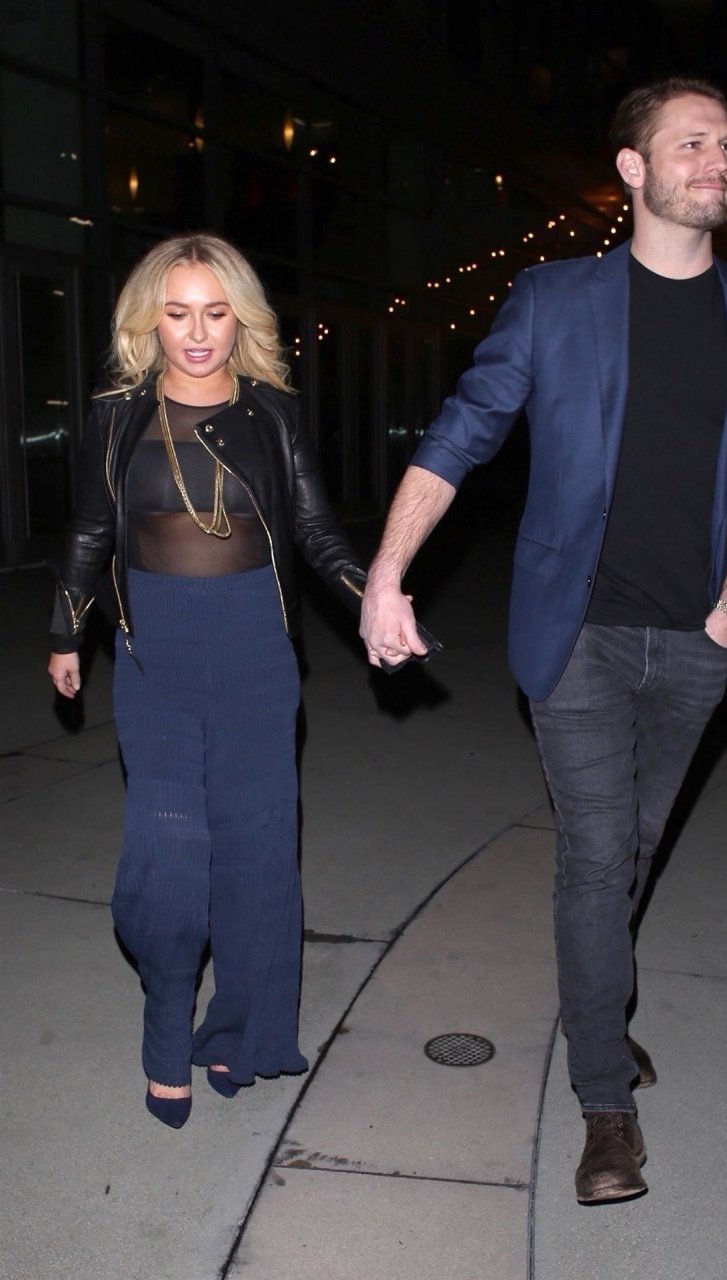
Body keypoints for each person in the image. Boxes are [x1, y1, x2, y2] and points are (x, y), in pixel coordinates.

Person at [360, 77, 727, 1203]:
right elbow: (461, 433)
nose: (717, 160)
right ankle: (606, 1107)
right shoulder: (555, 299)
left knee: (633, 850)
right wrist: (387, 572)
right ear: (632, 169)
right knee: (599, 853)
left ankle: (593, 1006)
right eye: (690, 143)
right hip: (580, 638)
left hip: (701, 638)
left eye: (726, 143)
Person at [48, 234, 366, 1128]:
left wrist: (370, 598)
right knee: (168, 858)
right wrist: (65, 632)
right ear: (149, 322)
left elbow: (316, 531)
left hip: (255, 654)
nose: (196, 333)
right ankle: (164, 1029)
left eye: (215, 313)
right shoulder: (117, 416)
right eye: (178, 313)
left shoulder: (271, 413)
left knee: (255, 855)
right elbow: (88, 531)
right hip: (154, 655)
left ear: (241, 320)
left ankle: (239, 1030)